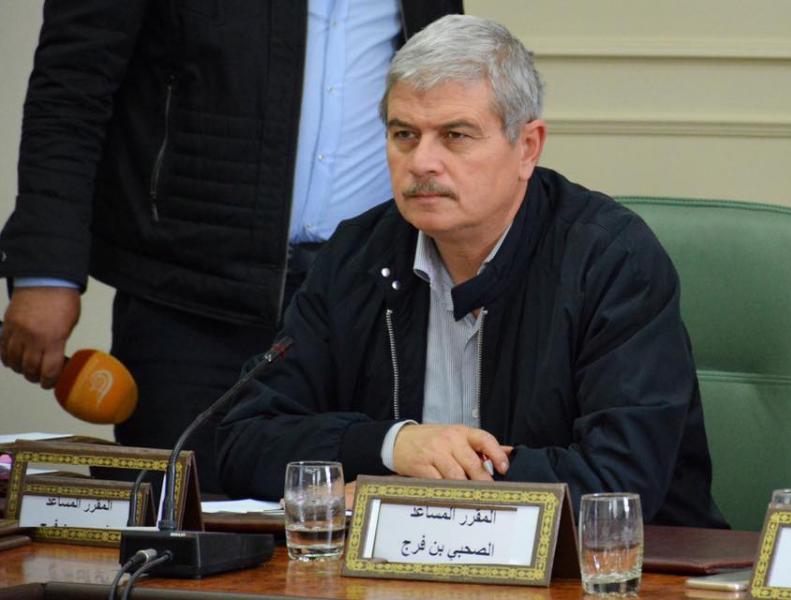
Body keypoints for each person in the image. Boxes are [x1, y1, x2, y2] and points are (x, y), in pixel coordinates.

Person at [217, 14, 727, 527]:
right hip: (399, 565)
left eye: (455, 135)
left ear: (527, 147)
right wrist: (394, 445)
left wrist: (410, 491)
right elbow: (242, 439)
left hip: (624, 564)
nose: (422, 162)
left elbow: (618, 482)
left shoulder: (611, 262)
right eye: (404, 134)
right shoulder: (356, 256)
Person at [0, 1, 462, 493]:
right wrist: (46, 268)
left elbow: (451, 80)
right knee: (178, 518)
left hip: (364, 295)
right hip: (189, 294)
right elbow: (71, 87)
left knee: (350, 516)